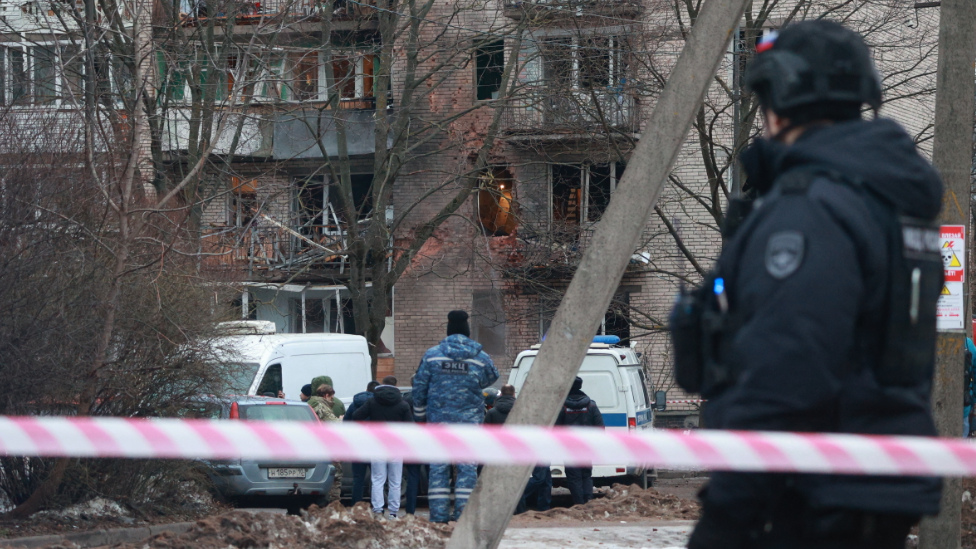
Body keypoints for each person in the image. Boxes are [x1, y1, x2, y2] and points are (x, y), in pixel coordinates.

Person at [671, 21, 943, 549]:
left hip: (804, 495)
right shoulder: (887, 202)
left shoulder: (811, 209)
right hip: (861, 486)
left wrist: (730, 510)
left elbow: (787, 371)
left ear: (781, 98)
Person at [412, 310, 499, 523]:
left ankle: (439, 516)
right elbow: (491, 377)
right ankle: (465, 515)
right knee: (467, 468)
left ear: (448, 329)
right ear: (468, 330)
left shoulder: (432, 355)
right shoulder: (480, 357)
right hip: (469, 423)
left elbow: (419, 387)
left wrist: (420, 417)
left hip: (438, 422)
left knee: (439, 468)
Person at [484, 385, 552, 513]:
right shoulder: (524, 410)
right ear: (514, 394)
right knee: (525, 480)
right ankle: (519, 508)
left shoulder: (492, 413)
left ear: (500, 395)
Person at [353, 375, 413, 518]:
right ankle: (393, 513)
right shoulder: (403, 404)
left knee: (378, 479)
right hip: (396, 446)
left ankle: (378, 511)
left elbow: (356, 416)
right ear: (396, 385)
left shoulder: (372, 402)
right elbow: (411, 427)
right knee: (395, 481)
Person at [555, 376, 604, 505]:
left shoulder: (562, 406)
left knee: (574, 477)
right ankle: (588, 502)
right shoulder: (591, 405)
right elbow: (600, 427)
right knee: (586, 475)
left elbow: (556, 429)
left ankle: (578, 504)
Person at [343, 380, 378, 507]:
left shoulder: (354, 404)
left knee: (358, 478)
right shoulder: (377, 404)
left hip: (357, 445)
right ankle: (376, 505)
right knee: (376, 478)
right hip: (374, 445)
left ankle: (356, 505)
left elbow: (346, 423)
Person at [401, 376, 427, 515]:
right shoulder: (428, 399)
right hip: (425, 441)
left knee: (412, 474)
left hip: (408, 441)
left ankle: (410, 509)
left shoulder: (405, 399)